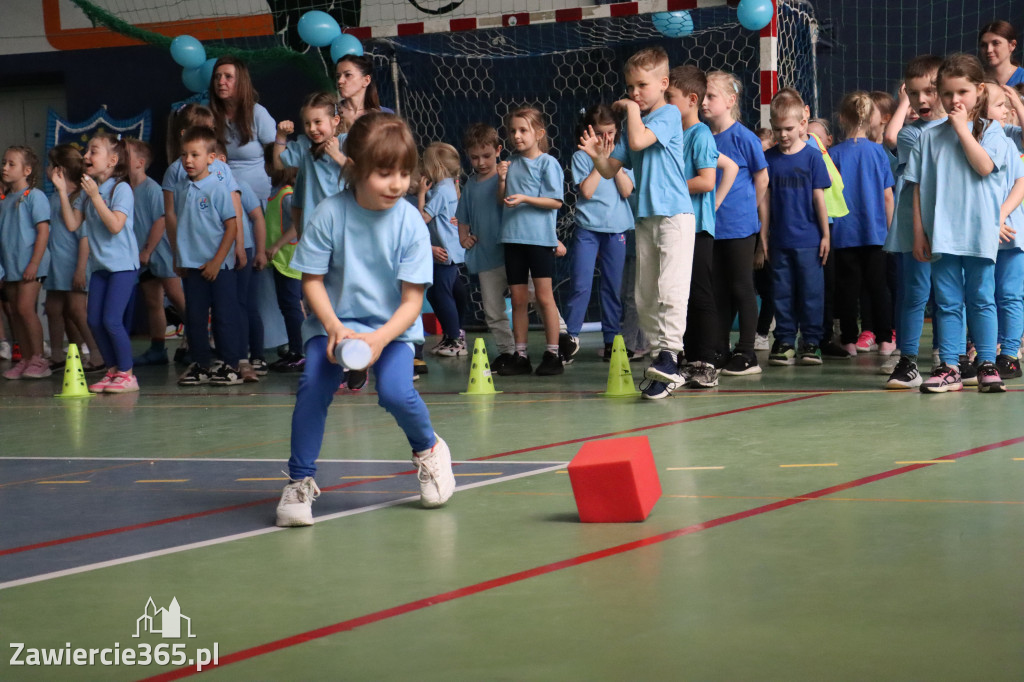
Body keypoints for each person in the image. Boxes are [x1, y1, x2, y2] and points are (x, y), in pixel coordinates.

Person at [275, 113, 455, 527]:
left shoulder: (410, 222)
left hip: (391, 327)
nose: (397, 183)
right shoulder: (328, 214)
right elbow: (312, 281)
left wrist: (378, 339)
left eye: (404, 173)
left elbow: (412, 302)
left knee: (395, 392)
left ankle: (429, 449)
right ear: (354, 168)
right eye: (384, 172)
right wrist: (334, 327)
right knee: (313, 386)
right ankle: (299, 483)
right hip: (333, 324)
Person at [579, 46, 695, 400]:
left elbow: (641, 139)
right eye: (630, 87)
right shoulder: (636, 126)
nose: (634, 93)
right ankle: (664, 359)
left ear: (662, 83)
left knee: (670, 289)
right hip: (644, 218)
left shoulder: (669, 115)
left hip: (675, 216)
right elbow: (610, 170)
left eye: (641, 86)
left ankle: (672, 355)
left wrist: (630, 110)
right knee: (644, 295)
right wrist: (598, 156)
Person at [909, 53, 1024, 394]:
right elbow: (915, 189)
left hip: (980, 232)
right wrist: (919, 233)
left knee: (982, 298)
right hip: (943, 234)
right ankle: (949, 366)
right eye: (947, 94)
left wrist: (961, 129)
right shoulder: (927, 138)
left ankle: (987, 363)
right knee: (946, 302)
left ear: (977, 92)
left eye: (962, 92)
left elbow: (984, 167)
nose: (954, 100)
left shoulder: (995, 135)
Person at [667, 65, 738, 389]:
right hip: (678, 225)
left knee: (700, 292)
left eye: (671, 98)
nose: (665, 103)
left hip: (697, 228)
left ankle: (706, 361)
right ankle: (688, 356)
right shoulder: (674, 135)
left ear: (690, 100)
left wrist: (668, 184)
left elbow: (708, 180)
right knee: (679, 294)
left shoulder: (699, 134)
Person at [53, 132, 140, 393]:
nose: (86, 156)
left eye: (93, 151)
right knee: (94, 320)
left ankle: (128, 374)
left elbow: (115, 225)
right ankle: (113, 371)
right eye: (87, 151)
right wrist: (60, 191)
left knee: (112, 320)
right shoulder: (87, 190)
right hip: (101, 267)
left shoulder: (120, 189)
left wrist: (95, 197)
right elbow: (71, 223)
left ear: (112, 160)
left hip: (123, 266)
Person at [882, 55, 948, 389]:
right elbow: (893, 137)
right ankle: (908, 361)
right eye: (914, 93)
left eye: (931, 91)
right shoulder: (912, 135)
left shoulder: (964, 130)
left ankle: (949, 356)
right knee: (914, 293)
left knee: (951, 294)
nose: (922, 100)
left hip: (951, 226)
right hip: (915, 226)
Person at [703, 71, 769, 375]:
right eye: (702, 96)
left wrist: (746, 210)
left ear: (730, 101)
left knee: (741, 286)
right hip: (711, 227)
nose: (703, 102)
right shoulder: (703, 137)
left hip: (739, 228)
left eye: (711, 96)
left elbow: (762, 178)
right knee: (717, 290)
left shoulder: (744, 137)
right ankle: (720, 349)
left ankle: (747, 352)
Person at [169, 126, 243, 387]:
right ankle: (201, 364)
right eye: (184, 155)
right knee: (195, 317)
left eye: (195, 155)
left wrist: (216, 261)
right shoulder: (180, 189)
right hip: (191, 266)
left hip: (218, 266)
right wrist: (179, 258)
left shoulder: (218, 188)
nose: (188, 160)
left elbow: (231, 226)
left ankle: (230, 365)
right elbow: (183, 226)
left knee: (224, 316)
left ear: (211, 158)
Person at [763, 93, 831, 366]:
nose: (783, 134)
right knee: (781, 291)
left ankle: (812, 341)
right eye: (778, 129)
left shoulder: (814, 158)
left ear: (802, 123)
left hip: (809, 240)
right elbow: (765, 201)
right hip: (779, 240)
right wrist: (763, 237)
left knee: (812, 292)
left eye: (789, 129)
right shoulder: (768, 157)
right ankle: (785, 340)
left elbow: (819, 198)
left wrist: (825, 234)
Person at [562, 105, 634, 362]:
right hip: (588, 229)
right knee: (581, 285)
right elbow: (588, 192)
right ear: (589, 133)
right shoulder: (581, 156)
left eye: (611, 133)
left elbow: (626, 191)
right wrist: (598, 160)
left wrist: (613, 161)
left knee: (613, 288)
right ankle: (570, 339)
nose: (606, 139)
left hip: (617, 230)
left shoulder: (623, 154)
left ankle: (612, 341)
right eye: (601, 133)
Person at [497, 105, 565, 376]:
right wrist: (501, 180)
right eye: (513, 131)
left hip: (538, 240)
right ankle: (521, 354)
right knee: (517, 299)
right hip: (512, 239)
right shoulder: (510, 164)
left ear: (538, 133)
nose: (517, 136)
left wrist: (525, 198)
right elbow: (500, 200)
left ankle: (553, 353)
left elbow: (555, 201)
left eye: (523, 130)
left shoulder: (548, 163)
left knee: (545, 297)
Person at [829, 92, 896, 361]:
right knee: (879, 288)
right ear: (871, 119)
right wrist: (891, 233)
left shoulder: (833, 154)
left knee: (847, 289)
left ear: (842, 118)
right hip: (876, 234)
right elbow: (887, 195)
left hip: (844, 234)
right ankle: (885, 340)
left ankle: (848, 340)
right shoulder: (878, 152)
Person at [456, 123, 516, 372]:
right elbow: (463, 218)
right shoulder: (470, 187)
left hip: (513, 252)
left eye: (487, 156)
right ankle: (508, 352)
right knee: (493, 310)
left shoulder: (509, 176)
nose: (481, 162)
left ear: (498, 150)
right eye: (474, 157)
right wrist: (463, 238)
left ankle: (561, 338)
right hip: (485, 258)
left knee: (537, 296)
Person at [43, 145, 104, 372]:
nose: (46, 169)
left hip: (74, 264)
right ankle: (58, 355)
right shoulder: (53, 198)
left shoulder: (79, 198)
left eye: (50, 165)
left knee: (78, 311)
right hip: (56, 266)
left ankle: (98, 354)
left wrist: (80, 269)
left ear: (59, 170)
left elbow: (85, 237)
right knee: (53, 308)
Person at [127, 138, 185, 367]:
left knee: (177, 297)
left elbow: (161, 221)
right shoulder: (124, 189)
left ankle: (200, 339)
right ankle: (158, 348)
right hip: (144, 257)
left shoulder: (151, 188)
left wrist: (148, 250)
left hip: (160, 253)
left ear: (140, 162)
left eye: (127, 155)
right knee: (153, 302)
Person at [215, 142, 267, 381]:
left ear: (222, 159)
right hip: (220, 251)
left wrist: (260, 251)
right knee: (228, 306)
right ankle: (233, 356)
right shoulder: (202, 188)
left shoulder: (240, 186)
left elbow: (257, 218)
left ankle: (255, 356)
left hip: (243, 248)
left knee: (246, 305)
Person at [0, 146, 51, 379]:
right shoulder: (5, 200)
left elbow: (43, 232)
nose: (4, 167)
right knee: (15, 312)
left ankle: (40, 359)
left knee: (24, 309)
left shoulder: (35, 196)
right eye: (4, 163)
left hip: (31, 266)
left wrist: (34, 263)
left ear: (27, 170)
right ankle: (26, 358)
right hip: (11, 268)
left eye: (11, 164)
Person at [984, 81, 1024, 380]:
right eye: (999, 105)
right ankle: (983, 351)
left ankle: (1010, 354)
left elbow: (1019, 184)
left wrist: (999, 216)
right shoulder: (966, 143)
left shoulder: (1010, 142)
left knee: (1009, 295)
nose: (1006, 111)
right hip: (978, 233)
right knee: (982, 295)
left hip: (1009, 232)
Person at [418, 142, 467, 357]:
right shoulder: (449, 187)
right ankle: (452, 334)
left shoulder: (439, 191)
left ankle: (455, 339)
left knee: (440, 293)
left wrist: (421, 194)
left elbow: (421, 220)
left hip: (445, 253)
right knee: (452, 291)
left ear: (435, 167)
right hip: (451, 251)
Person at [273, 92, 347, 236]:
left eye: (317, 122)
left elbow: (362, 174)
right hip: (313, 228)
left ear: (335, 120)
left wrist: (337, 155)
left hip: (343, 226)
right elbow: (278, 164)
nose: (312, 129)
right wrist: (281, 136)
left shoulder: (346, 143)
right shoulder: (304, 145)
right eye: (307, 123)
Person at [210, 55, 277, 205]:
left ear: (241, 82)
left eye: (228, 77)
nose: (221, 82)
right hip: (223, 198)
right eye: (217, 77)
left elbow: (277, 156)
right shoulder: (209, 115)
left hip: (259, 196)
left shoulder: (258, 113)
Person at [263, 158, 306, 372]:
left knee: (292, 306)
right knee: (287, 306)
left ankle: (300, 352)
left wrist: (277, 245)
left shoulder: (288, 196)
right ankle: (295, 350)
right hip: (281, 261)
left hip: (289, 259)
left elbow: (297, 226)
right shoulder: (277, 193)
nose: (267, 167)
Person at [335, 54, 392, 130]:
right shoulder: (330, 114)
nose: (340, 81)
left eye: (348, 75)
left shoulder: (386, 115)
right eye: (338, 76)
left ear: (366, 80)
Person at [980, 20, 1024, 87]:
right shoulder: (976, 79)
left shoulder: (1022, 77)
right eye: (984, 45)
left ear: (1012, 45)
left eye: (996, 43)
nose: (989, 50)